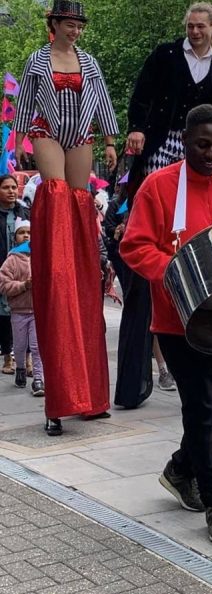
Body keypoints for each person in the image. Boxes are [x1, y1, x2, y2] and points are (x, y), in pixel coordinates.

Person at [119, 104, 212, 544]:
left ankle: (179, 468)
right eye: (202, 145)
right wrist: (177, 271)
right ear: (185, 142)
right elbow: (135, 247)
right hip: (178, 321)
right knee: (202, 407)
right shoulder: (158, 186)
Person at [13, 0, 118, 435]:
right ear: (53, 23)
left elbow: (103, 102)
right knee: (56, 200)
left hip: (81, 136)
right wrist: (20, 139)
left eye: (79, 25)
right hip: (45, 132)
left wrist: (110, 140)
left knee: (78, 206)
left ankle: (90, 395)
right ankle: (56, 257)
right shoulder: (38, 60)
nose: (75, 31)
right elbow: (24, 107)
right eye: (69, 23)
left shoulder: (89, 62)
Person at [125, 2, 212, 186]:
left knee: (190, 194)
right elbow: (142, 93)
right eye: (190, 26)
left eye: (200, 26)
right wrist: (136, 128)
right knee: (157, 188)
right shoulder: (166, 54)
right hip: (161, 137)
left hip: (198, 144)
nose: (195, 31)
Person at [0, 221, 44, 396]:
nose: (26, 236)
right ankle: (20, 368)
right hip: (18, 311)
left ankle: (39, 379)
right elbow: (4, 285)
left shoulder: (40, 257)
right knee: (19, 346)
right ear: (15, 237)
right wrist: (23, 285)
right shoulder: (10, 261)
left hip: (37, 312)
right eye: (22, 232)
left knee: (36, 346)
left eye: (29, 232)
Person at [0, 174, 30, 376]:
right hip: (5, 268)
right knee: (3, 315)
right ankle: (7, 357)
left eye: (14, 187)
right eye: (6, 187)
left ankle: (26, 359)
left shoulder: (25, 211)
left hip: (25, 267)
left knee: (27, 314)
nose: (11, 191)